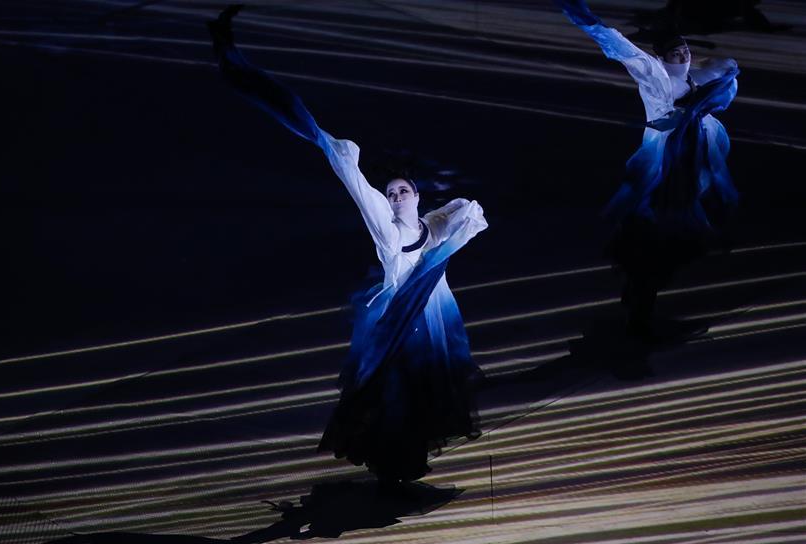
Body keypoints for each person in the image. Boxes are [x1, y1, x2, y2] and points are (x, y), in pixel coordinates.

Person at [208, 6, 487, 483]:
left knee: (426, 389)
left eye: (404, 191)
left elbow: (469, 212)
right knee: (391, 394)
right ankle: (391, 464)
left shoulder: (434, 223)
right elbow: (359, 185)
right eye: (392, 192)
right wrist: (335, 151)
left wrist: (458, 228)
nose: (397, 197)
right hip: (398, 321)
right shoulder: (389, 229)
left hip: (433, 319)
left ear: (418, 196)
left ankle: (409, 458)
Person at [555, 0, 739, 339]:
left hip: (687, 163)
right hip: (663, 164)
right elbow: (619, 46)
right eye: (674, 52)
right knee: (655, 233)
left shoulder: (697, 77)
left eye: (684, 49)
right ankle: (639, 308)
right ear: (661, 57)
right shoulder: (654, 76)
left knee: (667, 235)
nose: (682, 56)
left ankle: (638, 298)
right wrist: (585, 20)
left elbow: (727, 68)